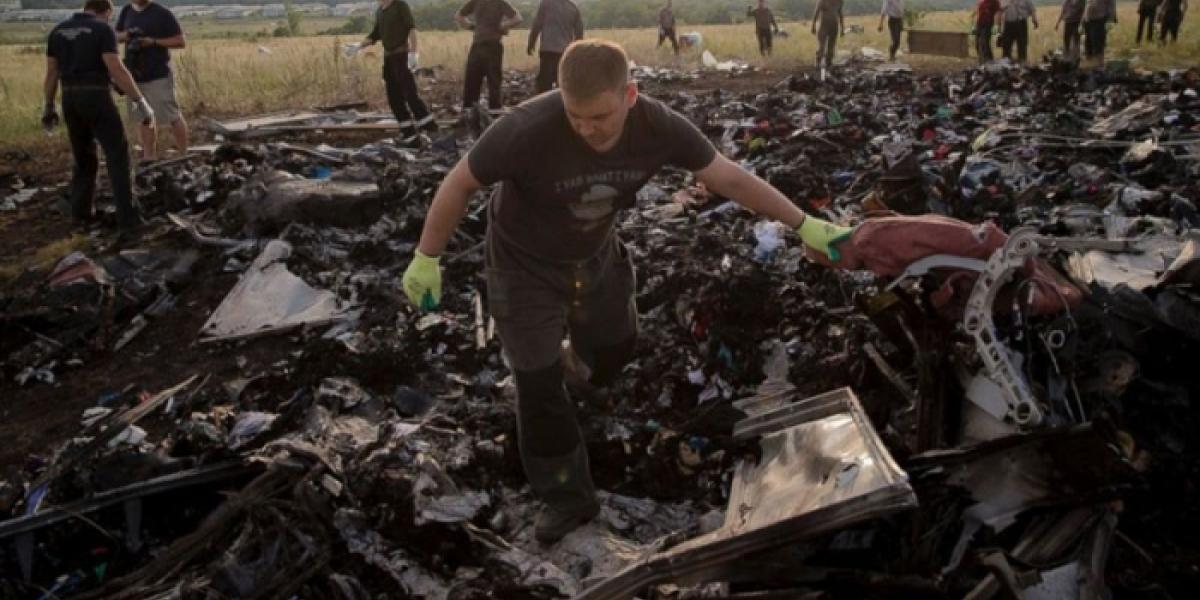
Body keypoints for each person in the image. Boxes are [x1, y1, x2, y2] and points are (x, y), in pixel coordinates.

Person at [399, 39, 851, 544]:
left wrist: (804, 223)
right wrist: (427, 257)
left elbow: (727, 177)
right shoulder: (526, 129)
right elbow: (459, 183)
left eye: (599, 117)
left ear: (629, 95)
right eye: (575, 117)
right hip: (522, 266)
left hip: (593, 256)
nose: (586, 129)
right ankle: (566, 496)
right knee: (537, 386)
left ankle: (572, 370)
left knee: (615, 348)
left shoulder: (659, 127)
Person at [44, 0, 152, 238]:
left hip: (70, 98)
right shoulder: (103, 29)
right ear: (106, 12)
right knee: (117, 155)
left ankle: (81, 214)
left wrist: (49, 106)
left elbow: (52, 72)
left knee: (83, 157)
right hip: (96, 96)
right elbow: (115, 67)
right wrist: (140, 101)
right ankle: (128, 219)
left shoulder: (58, 31)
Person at [114, 0, 185, 161]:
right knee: (144, 116)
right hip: (134, 74)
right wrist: (128, 35)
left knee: (172, 115)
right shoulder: (126, 11)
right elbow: (115, 36)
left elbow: (180, 41)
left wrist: (153, 42)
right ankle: (149, 156)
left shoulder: (162, 13)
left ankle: (183, 153)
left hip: (158, 74)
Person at [359, 0, 435, 146]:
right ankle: (409, 134)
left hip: (402, 55)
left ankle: (430, 128)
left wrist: (414, 53)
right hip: (389, 59)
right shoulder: (380, 11)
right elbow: (375, 34)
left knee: (410, 95)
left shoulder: (400, 5)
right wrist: (359, 46)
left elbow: (411, 29)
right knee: (394, 99)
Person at [456, 0, 522, 112]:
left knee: (472, 82)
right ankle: (495, 112)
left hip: (477, 45)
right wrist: (502, 26)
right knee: (494, 82)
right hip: (493, 45)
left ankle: (469, 112)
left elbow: (458, 16)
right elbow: (518, 18)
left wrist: (472, 27)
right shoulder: (500, 2)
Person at [527, 0, 584, 95]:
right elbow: (579, 33)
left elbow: (537, 25)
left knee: (545, 82)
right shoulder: (573, 7)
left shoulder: (546, 3)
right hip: (565, 51)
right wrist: (576, 52)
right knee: (561, 81)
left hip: (548, 49)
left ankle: (544, 102)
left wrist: (531, 43)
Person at [811, 0, 844, 69]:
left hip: (834, 26)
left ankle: (829, 62)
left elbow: (840, 14)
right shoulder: (822, 1)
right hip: (823, 26)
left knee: (831, 47)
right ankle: (818, 62)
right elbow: (816, 12)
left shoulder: (840, 1)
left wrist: (842, 28)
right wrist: (813, 25)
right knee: (822, 47)